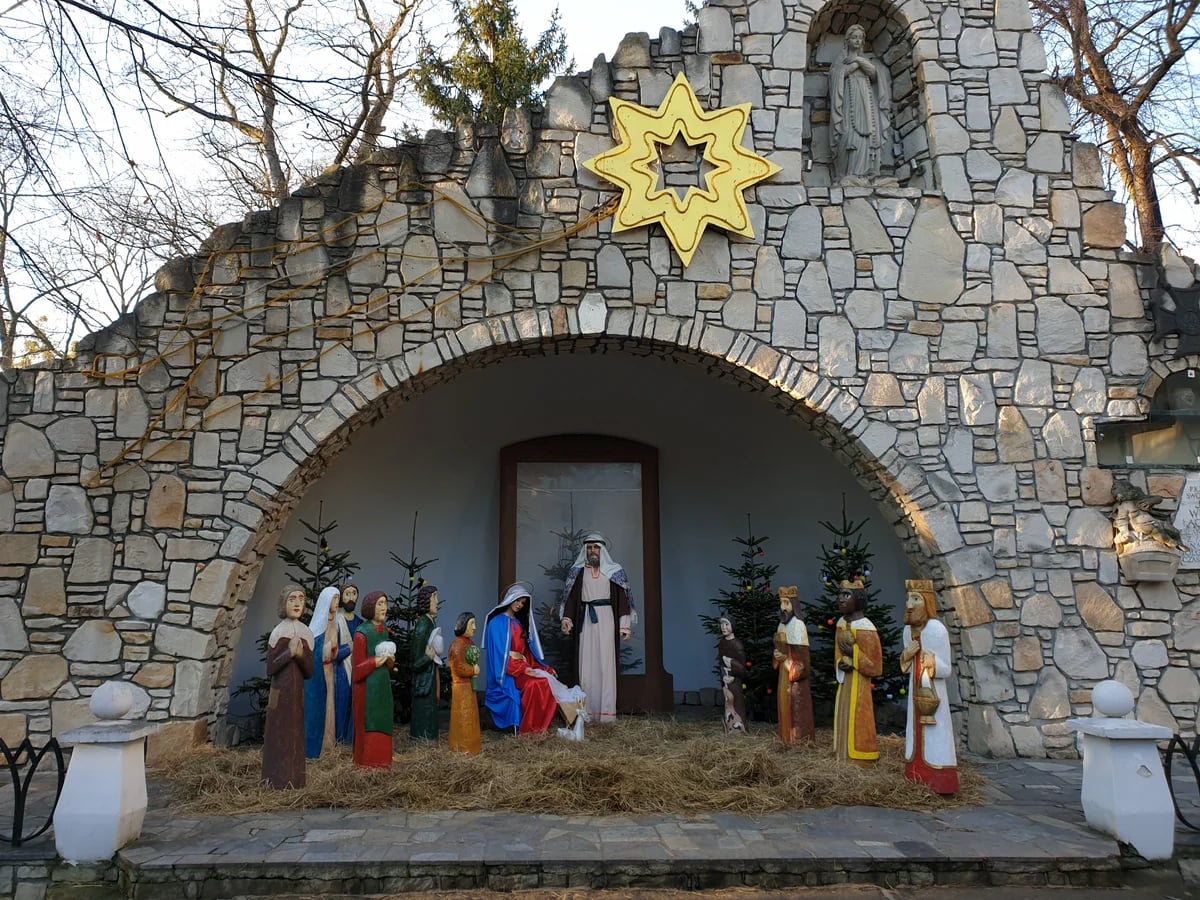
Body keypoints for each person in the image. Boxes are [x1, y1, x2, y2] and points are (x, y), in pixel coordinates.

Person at [560, 533, 634, 724]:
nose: (593, 550)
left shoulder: (614, 571)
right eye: (590, 547)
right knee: (586, 663)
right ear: (585, 550)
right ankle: (587, 713)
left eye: (596, 547)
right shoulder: (577, 572)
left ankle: (606, 714)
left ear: (602, 550)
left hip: (606, 619)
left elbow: (623, 601)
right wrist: (567, 618)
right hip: (585, 619)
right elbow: (571, 598)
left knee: (605, 664)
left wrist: (624, 625)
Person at [901, 579, 959, 794]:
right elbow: (905, 666)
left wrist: (933, 662)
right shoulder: (907, 631)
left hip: (934, 695)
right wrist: (906, 656)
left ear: (927, 602)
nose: (910, 604)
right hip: (915, 692)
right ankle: (915, 776)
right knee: (914, 733)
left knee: (936, 735)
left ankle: (939, 780)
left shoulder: (937, 630)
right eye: (908, 599)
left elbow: (946, 669)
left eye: (916, 599)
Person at [483, 582, 559, 734]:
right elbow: (499, 656)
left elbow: (529, 655)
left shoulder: (519, 624)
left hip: (522, 669)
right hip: (507, 673)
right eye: (517, 600)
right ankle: (528, 728)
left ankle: (538, 728)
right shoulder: (496, 623)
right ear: (510, 599)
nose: (519, 605)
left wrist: (544, 669)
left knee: (545, 682)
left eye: (523, 603)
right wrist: (522, 667)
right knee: (534, 685)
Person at [262, 584, 314, 789]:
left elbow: (309, 670)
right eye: (292, 599)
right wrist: (288, 653)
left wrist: (300, 655)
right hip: (280, 693)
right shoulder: (278, 632)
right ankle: (276, 779)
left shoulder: (306, 633)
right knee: (279, 733)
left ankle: (296, 779)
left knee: (295, 734)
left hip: (297, 693)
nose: (297, 603)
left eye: (301, 599)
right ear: (284, 603)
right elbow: (270, 668)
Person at [829, 24, 891, 185]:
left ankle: (868, 174)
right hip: (849, 101)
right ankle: (849, 173)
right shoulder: (840, 61)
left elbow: (874, 73)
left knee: (870, 136)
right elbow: (837, 75)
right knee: (850, 134)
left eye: (860, 38)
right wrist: (854, 65)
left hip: (867, 99)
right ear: (847, 40)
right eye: (854, 38)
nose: (857, 41)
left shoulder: (864, 60)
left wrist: (857, 60)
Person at [833, 577, 883, 764]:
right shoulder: (840, 623)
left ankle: (861, 757)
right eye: (840, 594)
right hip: (845, 681)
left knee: (859, 717)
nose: (841, 599)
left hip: (860, 686)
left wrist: (853, 654)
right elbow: (837, 652)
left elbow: (876, 666)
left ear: (859, 598)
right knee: (844, 714)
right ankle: (842, 754)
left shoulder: (867, 628)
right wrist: (840, 662)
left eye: (847, 595)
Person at [303, 585, 353, 759]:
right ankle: (314, 748)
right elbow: (312, 652)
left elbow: (341, 649)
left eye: (338, 599)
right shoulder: (317, 627)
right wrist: (325, 653)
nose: (337, 602)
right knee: (317, 708)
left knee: (330, 707)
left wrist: (337, 652)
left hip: (331, 672)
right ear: (325, 602)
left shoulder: (336, 622)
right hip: (319, 674)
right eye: (334, 599)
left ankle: (328, 745)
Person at [352, 590, 396, 768]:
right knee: (369, 723)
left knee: (383, 720)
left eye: (385, 603)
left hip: (382, 688)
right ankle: (368, 761)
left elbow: (388, 664)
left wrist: (390, 661)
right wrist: (375, 662)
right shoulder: (362, 633)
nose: (384, 607)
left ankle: (383, 759)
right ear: (370, 607)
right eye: (379, 604)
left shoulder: (384, 630)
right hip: (367, 689)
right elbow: (357, 671)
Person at [773, 586, 815, 745]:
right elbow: (779, 650)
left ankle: (799, 741)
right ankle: (785, 738)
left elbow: (803, 664)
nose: (783, 607)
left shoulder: (798, 626)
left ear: (794, 605)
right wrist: (776, 656)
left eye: (786, 603)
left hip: (795, 678)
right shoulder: (781, 625)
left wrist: (786, 660)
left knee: (796, 710)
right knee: (784, 706)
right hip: (784, 677)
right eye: (781, 603)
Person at [448, 611, 482, 755]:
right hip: (461, 687)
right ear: (463, 625)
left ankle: (472, 745)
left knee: (471, 716)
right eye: (472, 624)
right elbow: (458, 667)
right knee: (463, 716)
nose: (474, 627)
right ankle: (462, 746)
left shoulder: (469, 643)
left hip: (469, 686)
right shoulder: (458, 644)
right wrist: (472, 669)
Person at [410, 584, 440, 741]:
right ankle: (422, 739)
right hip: (423, 681)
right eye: (434, 597)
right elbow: (414, 662)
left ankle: (428, 738)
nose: (437, 601)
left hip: (430, 677)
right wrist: (428, 657)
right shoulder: (423, 625)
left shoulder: (430, 622)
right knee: (425, 711)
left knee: (430, 710)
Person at [716, 617, 747, 734]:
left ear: (732, 626)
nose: (723, 627)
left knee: (736, 703)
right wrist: (723, 675)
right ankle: (729, 728)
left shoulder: (737, 645)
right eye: (722, 624)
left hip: (735, 680)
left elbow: (742, 667)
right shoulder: (722, 643)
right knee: (728, 703)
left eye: (726, 624)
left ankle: (739, 729)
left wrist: (732, 666)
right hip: (726, 679)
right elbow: (720, 662)